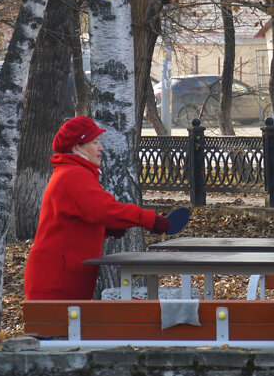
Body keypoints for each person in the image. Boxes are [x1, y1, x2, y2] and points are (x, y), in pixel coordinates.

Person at [24, 116, 173, 300]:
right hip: (56, 282)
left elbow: (73, 222)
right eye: (94, 142)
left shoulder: (72, 172)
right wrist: (150, 220)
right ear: (76, 147)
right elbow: (105, 209)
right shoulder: (75, 176)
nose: (100, 148)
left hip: (60, 277)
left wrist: (104, 229)